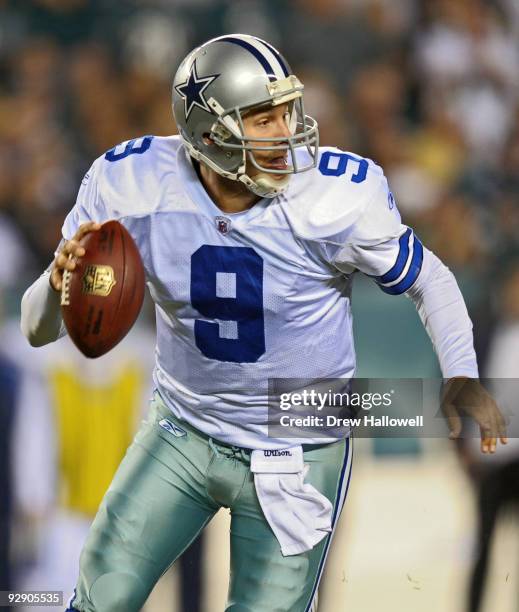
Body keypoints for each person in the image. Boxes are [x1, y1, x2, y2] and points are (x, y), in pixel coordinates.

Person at [20, 34, 507, 612]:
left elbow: (432, 278)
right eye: (262, 119)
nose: (287, 134)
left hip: (298, 434)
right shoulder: (131, 184)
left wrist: (460, 371)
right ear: (206, 133)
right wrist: (58, 285)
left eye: (287, 112)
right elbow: (37, 329)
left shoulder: (331, 197)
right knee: (99, 599)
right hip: (184, 425)